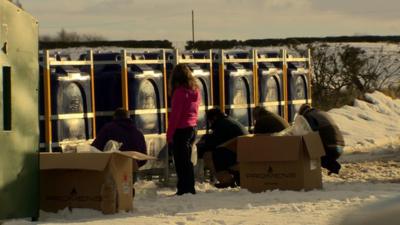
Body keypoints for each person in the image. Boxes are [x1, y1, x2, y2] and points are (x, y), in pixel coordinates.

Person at [167, 64, 201, 195]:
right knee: (187, 161)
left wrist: (169, 135)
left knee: (181, 162)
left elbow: (175, 116)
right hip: (192, 128)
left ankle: (184, 189)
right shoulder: (196, 91)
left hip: (181, 130)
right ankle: (189, 187)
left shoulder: (180, 93)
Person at [197, 108, 249, 188]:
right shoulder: (229, 121)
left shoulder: (221, 125)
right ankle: (232, 178)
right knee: (219, 153)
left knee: (208, 155)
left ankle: (225, 180)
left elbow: (212, 143)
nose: (210, 124)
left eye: (210, 121)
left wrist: (202, 143)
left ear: (214, 118)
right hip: (244, 153)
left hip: (238, 156)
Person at [297, 104, 345, 175]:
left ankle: (334, 167)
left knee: (316, 156)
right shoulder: (321, 113)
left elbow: (311, 131)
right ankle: (334, 167)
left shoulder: (308, 116)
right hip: (340, 147)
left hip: (330, 146)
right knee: (326, 157)